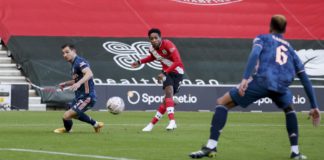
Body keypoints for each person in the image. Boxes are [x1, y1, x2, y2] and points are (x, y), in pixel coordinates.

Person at [189, 15, 321, 159]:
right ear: (284, 30)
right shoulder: (290, 49)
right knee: (289, 110)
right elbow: (305, 78)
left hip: (262, 80)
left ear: (270, 27)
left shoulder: (263, 38)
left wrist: (245, 78)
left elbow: (255, 53)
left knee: (222, 103)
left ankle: (211, 146)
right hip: (281, 86)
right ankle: (295, 152)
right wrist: (314, 105)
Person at [131, 28, 185, 132]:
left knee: (166, 101)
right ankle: (172, 121)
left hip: (178, 72)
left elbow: (178, 62)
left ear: (160, 38)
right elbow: (152, 57)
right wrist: (140, 61)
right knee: (169, 92)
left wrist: (164, 72)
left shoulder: (168, 44)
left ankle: (151, 125)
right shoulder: (151, 48)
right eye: (151, 38)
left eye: (156, 38)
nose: (154, 40)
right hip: (166, 72)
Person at [54, 44, 104, 133]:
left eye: (67, 52)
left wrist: (78, 83)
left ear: (74, 51)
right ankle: (96, 124)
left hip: (87, 97)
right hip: (80, 96)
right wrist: (65, 84)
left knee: (66, 116)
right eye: (63, 53)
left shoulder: (79, 62)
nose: (65, 55)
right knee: (70, 109)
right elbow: (77, 80)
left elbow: (89, 73)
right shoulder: (74, 64)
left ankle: (68, 130)